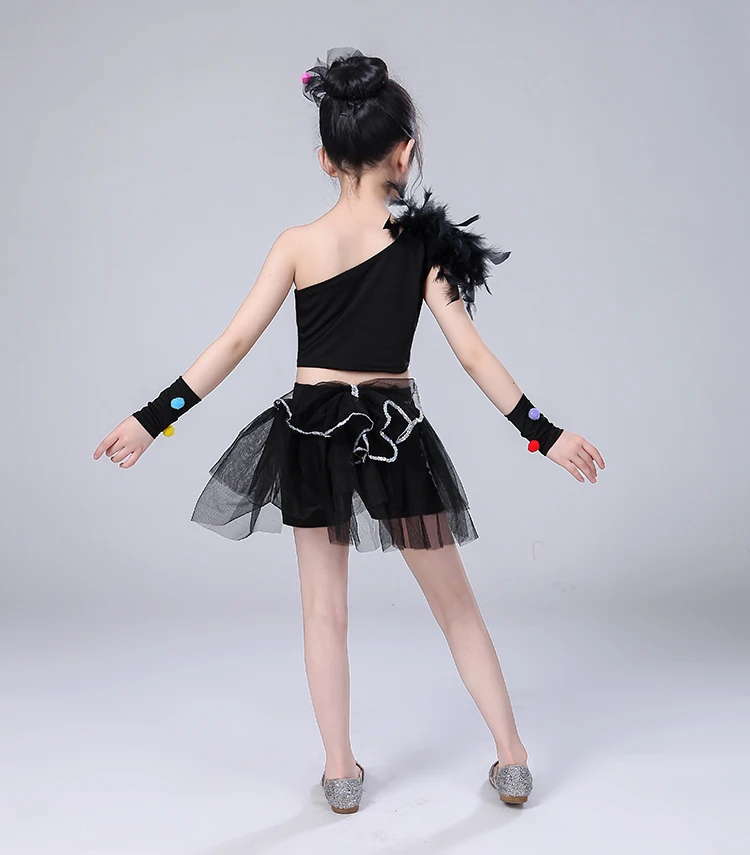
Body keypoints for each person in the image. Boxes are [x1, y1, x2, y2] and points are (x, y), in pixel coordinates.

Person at [93, 46, 605, 814]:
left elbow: (233, 343)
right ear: (404, 151)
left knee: (323, 612)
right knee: (456, 606)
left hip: (311, 435)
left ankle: (340, 770)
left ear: (326, 158)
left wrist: (151, 420)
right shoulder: (424, 247)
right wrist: (546, 433)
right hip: (395, 435)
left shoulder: (297, 244)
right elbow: (472, 355)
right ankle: (512, 755)